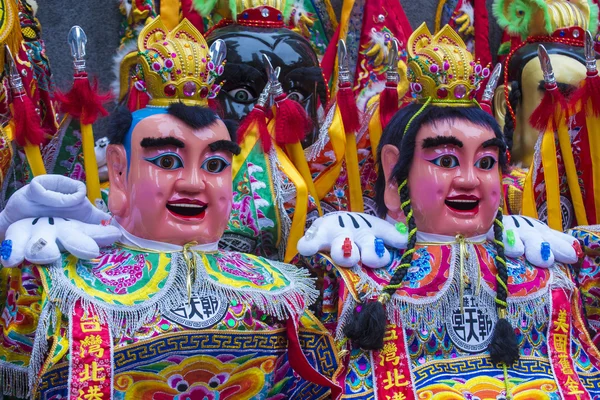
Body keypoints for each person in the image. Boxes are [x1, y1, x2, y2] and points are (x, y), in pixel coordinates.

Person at [0, 17, 340, 400]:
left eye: (214, 166)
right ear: (118, 170)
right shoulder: (64, 284)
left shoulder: (277, 292)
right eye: (166, 162)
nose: (194, 183)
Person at [300, 23, 598, 399]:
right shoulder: (359, 278)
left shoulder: (546, 274)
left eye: (487, 162)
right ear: (395, 175)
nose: (470, 180)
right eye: (446, 159)